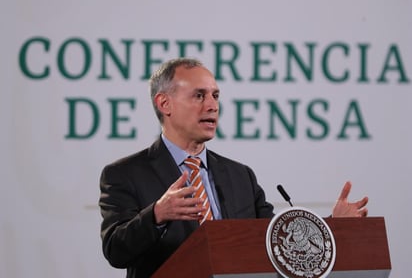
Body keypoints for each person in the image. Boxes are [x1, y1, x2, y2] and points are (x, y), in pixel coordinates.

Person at [99, 58, 368, 278]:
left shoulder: (240, 176)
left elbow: (277, 242)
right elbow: (115, 250)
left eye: (215, 95)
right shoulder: (124, 174)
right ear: (164, 103)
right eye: (199, 95)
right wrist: (156, 215)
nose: (212, 105)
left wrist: (333, 227)